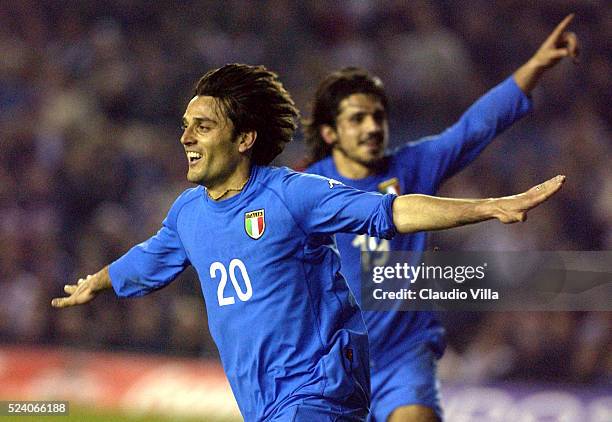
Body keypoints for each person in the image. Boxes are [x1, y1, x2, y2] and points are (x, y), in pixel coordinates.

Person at [52, 63, 565, 422]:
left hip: (321, 388)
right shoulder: (187, 214)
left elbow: (390, 212)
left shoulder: (292, 194)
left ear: (244, 138)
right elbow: (149, 258)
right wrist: (96, 283)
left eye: (203, 126)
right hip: (266, 404)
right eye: (185, 126)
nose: (186, 137)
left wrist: (487, 208)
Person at [303, 14, 578, 422]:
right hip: (332, 364)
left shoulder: (412, 166)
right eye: (358, 119)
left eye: (379, 116)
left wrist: (535, 66)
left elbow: (474, 127)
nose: (373, 127)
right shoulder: (305, 189)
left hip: (403, 356)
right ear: (330, 133)